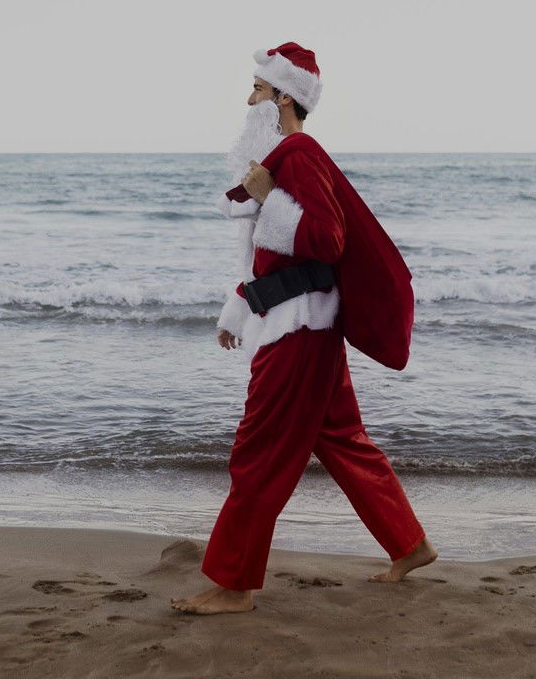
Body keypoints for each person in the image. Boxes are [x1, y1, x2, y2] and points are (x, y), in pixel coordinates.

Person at [170, 42, 437, 616]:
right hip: (301, 326)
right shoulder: (285, 156)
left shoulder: (300, 151)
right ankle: (410, 545)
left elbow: (327, 240)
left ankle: (234, 586)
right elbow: (277, 260)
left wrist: (272, 201)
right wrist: (241, 308)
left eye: (258, 89)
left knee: (257, 452)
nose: (249, 98)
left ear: (284, 97)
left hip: (299, 336)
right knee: (341, 440)